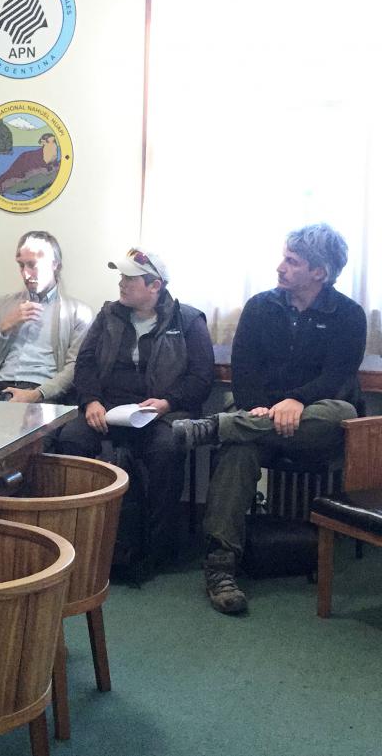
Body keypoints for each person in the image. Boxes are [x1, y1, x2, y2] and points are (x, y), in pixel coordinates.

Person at [172, 224, 365, 615]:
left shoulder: (349, 315)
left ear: (319, 273)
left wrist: (297, 400)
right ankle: (221, 567)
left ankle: (214, 427)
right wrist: (261, 409)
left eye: (292, 262)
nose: (280, 268)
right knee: (241, 446)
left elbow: (338, 378)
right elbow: (245, 372)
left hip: (316, 426)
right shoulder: (261, 306)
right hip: (258, 418)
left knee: (341, 413)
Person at [55, 247, 213, 577]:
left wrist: (168, 402)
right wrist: (91, 401)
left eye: (130, 278)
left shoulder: (189, 321)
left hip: (161, 415)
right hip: (108, 411)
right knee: (71, 439)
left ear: (155, 285)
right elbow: (84, 364)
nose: (122, 284)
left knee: (165, 449)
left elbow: (201, 379)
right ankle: (80, 542)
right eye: (121, 277)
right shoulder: (109, 315)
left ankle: (156, 549)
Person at [0, 230, 95, 403]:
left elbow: (75, 368)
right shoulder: (3, 305)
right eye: (21, 265)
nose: (25, 274)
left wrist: (38, 394)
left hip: (42, 390)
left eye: (33, 265)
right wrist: (4, 328)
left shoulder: (78, 312)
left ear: (55, 265)